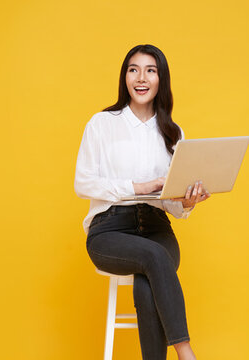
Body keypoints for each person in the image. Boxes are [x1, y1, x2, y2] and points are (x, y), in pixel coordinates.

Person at [73, 44, 210, 360]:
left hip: (156, 226)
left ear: (161, 79)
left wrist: (189, 202)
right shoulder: (102, 123)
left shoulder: (173, 133)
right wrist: (139, 185)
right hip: (110, 230)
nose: (141, 78)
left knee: (149, 280)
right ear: (125, 77)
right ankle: (185, 351)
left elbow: (172, 205)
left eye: (151, 70)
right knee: (154, 258)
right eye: (133, 69)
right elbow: (83, 183)